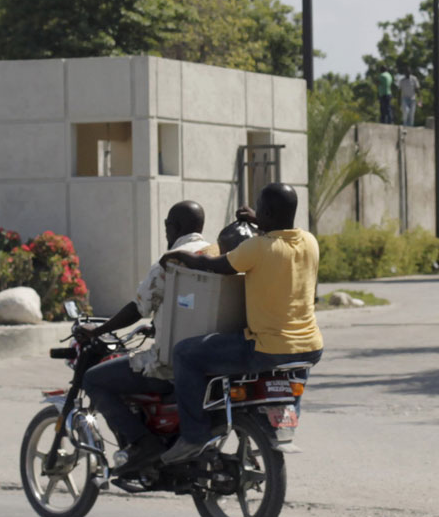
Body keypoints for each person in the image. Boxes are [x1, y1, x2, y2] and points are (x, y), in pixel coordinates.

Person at [157, 183, 323, 465]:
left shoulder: (257, 247)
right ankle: (282, 426)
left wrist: (180, 256)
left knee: (185, 352)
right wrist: (259, 219)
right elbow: (278, 231)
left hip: (267, 347)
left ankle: (194, 435)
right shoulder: (310, 241)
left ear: (267, 212)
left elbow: (217, 266)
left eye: (260, 208)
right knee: (289, 381)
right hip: (309, 349)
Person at [78, 200, 215, 474]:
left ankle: (142, 443)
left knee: (93, 378)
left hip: (169, 366)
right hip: (210, 359)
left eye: (167, 228)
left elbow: (138, 308)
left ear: (171, 227)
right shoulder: (216, 254)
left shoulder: (172, 259)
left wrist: (99, 330)